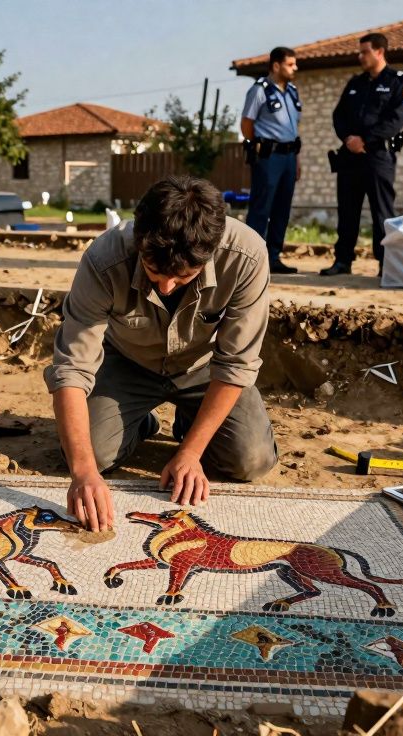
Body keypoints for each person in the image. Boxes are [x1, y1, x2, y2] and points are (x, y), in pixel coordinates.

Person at [46, 175, 278, 532]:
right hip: (126, 362)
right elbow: (71, 368)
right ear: (140, 243)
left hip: (204, 371)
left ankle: (191, 422)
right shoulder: (104, 260)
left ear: (211, 252)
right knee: (89, 453)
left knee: (252, 460)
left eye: (182, 278)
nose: (166, 286)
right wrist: (83, 472)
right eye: (155, 273)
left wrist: (191, 452)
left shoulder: (246, 256)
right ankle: (139, 420)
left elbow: (236, 364)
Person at [320, 32, 403, 278]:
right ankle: (342, 261)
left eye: (364, 52)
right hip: (350, 157)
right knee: (347, 211)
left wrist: (366, 140)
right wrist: (348, 139)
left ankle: (386, 264)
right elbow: (338, 116)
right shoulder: (355, 83)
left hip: (378, 157)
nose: (360, 56)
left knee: (382, 213)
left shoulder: (398, 82)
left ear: (379, 52)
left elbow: (396, 120)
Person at [241, 46, 302, 275]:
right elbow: (246, 123)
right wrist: (257, 144)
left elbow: (295, 128)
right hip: (268, 156)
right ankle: (252, 260)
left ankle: (274, 257)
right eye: (290, 64)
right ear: (276, 65)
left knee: (282, 208)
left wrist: (297, 159)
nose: (294, 68)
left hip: (289, 156)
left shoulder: (293, 92)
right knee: (261, 207)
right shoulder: (259, 90)